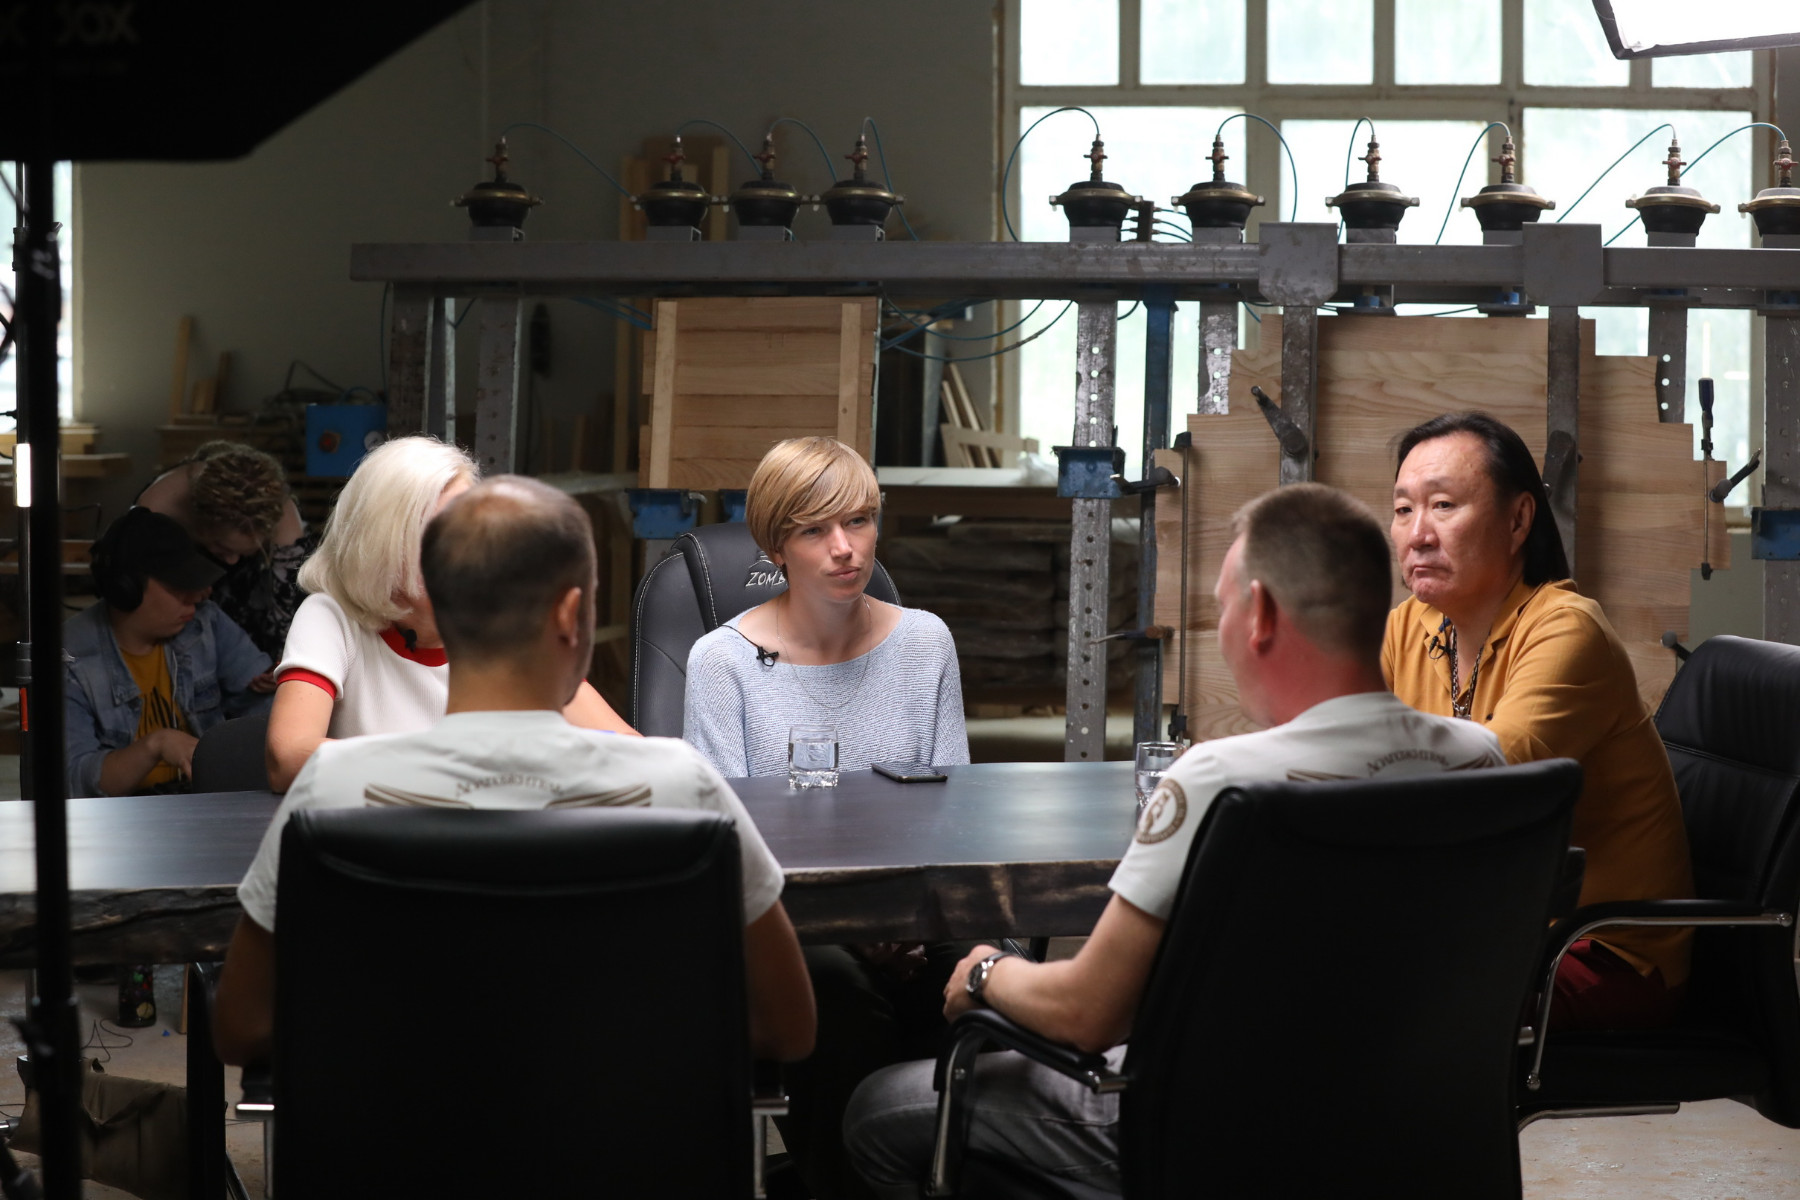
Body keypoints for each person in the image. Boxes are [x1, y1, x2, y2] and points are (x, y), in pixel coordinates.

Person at [843, 484, 1504, 1199]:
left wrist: (984, 973)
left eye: (1222, 608)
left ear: (1261, 615)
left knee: (878, 1109)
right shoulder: (1479, 759)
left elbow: (1087, 1014)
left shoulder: (1219, 781)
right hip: (1417, 1126)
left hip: (1226, 1129)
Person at [213, 476, 815, 1067]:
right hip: (616, 1126)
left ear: (439, 606)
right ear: (571, 616)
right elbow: (789, 1029)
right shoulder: (679, 786)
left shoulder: (330, 787)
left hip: (392, 1128)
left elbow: (240, 1030)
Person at [683, 436, 969, 1199]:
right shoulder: (722, 663)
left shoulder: (925, 643)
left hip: (917, 915)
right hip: (790, 924)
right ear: (776, 546)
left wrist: (905, 920)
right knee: (837, 994)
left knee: (981, 980)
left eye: (858, 522)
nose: (845, 549)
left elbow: (957, 815)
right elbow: (729, 846)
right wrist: (857, 923)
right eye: (815, 530)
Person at [1384, 411, 1694, 1031]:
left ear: (1518, 520)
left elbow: (1494, 781)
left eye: (1442, 506)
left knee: (1365, 996)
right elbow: (1341, 740)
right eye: (1402, 510)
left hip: (1596, 950)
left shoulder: (1567, 629)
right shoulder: (1409, 626)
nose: (1418, 534)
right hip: (1493, 923)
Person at [265, 436, 635, 792]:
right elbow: (288, 756)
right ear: (380, 544)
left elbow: (628, 753)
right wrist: (461, 765)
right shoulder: (331, 616)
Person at [65, 508, 273, 797]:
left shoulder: (206, 622)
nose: (200, 594)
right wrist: (157, 745)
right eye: (180, 585)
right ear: (126, 587)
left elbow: (265, 710)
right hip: (119, 817)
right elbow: (74, 781)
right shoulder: (69, 657)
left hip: (208, 802)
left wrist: (280, 686)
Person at [137, 441, 318, 660]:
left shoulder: (281, 516)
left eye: (244, 551)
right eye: (223, 547)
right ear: (201, 522)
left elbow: (290, 613)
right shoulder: (155, 508)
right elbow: (143, 608)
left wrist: (279, 661)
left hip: (252, 583)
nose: (232, 560)